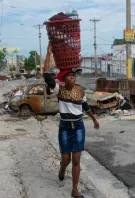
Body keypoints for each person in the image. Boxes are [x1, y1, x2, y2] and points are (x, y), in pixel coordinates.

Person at [43, 43, 99, 198]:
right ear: (64, 78)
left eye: (74, 76)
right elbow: (47, 75)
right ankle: (62, 168)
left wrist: (94, 120)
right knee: (66, 159)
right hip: (65, 128)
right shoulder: (58, 90)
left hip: (79, 127)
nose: (72, 78)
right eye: (69, 76)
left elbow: (86, 106)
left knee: (76, 159)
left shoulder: (81, 90)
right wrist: (49, 55)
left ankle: (74, 190)